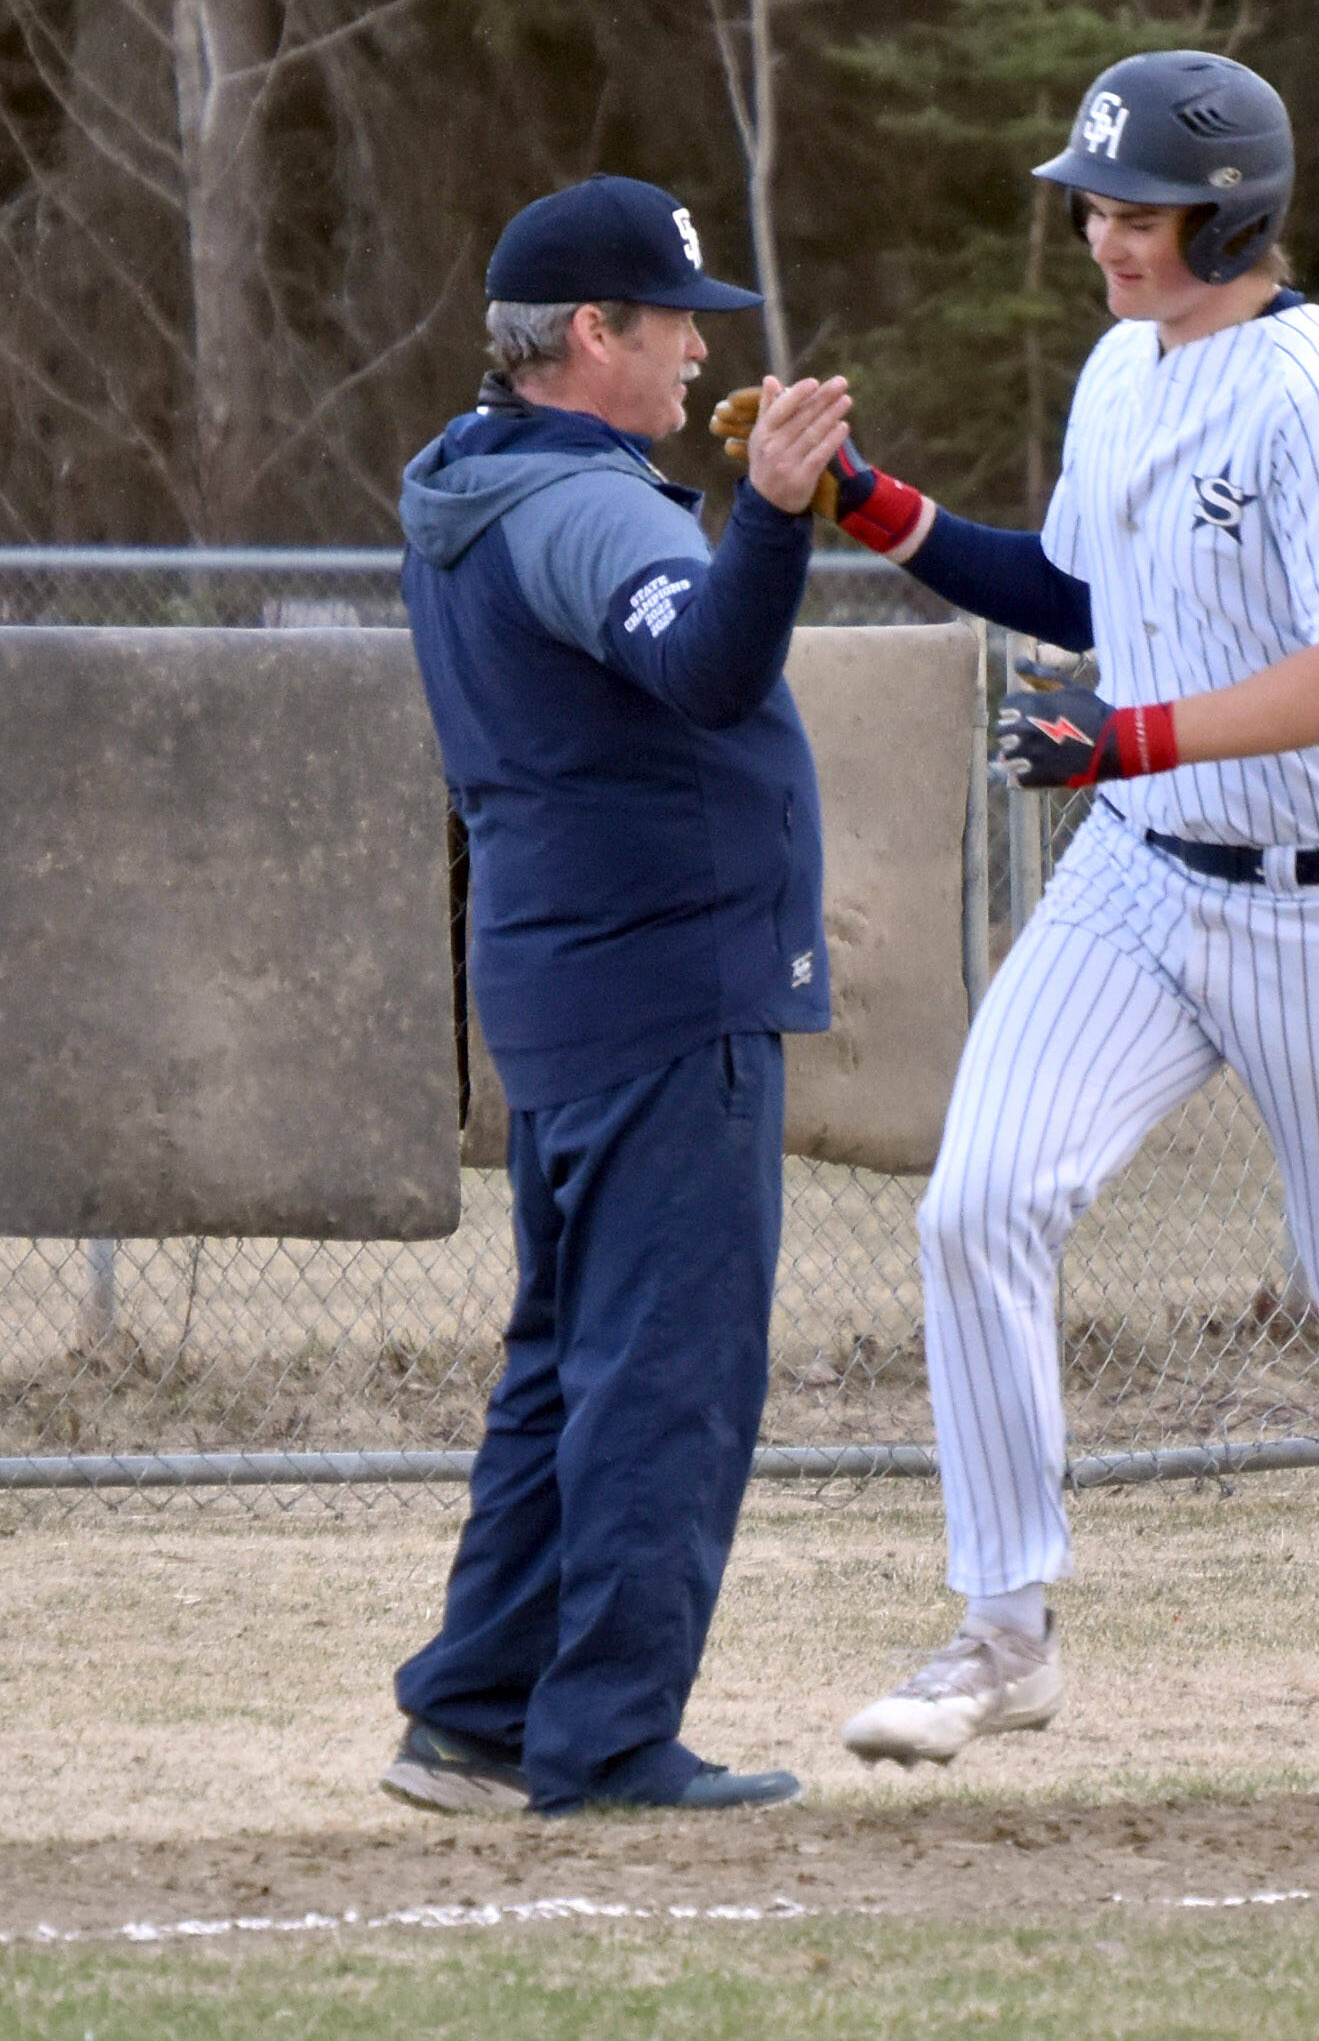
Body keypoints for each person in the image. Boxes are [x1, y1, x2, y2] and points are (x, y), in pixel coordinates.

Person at [784, 52, 1319, 1823]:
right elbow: (1082, 595)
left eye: (1132, 210)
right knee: (979, 1199)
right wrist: (867, 499)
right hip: (1146, 874)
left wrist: (1125, 731)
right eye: (1090, 203)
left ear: (1226, 213)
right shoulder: (1120, 369)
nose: (1098, 236)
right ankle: (1002, 1626)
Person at [383, 174, 851, 1816]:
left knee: (568, 1365)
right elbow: (709, 665)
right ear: (593, 333)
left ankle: (475, 1713)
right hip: (666, 986)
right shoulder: (590, 504)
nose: (687, 365)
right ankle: (607, 1739)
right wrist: (776, 511)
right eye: (671, 329)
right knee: (666, 1374)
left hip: (566, 977)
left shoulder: (469, 479)